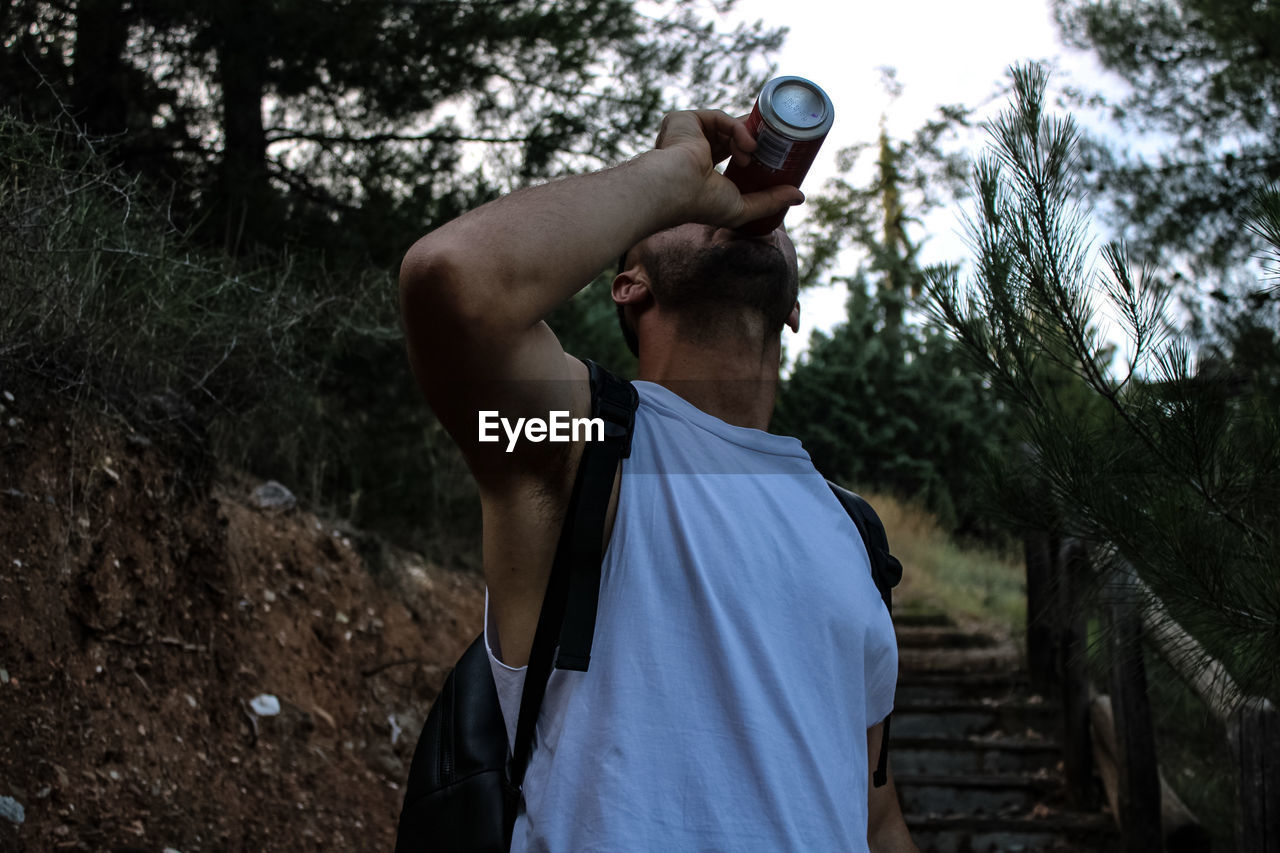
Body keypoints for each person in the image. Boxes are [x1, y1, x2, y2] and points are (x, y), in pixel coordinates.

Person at [399, 108, 917, 852]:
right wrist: (673, 178)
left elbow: (876, 820)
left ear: (795, 307)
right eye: (697, 203)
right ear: (628, 284)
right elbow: (452, 278)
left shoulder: (856, 534)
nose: (733, 198)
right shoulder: (580, 441)